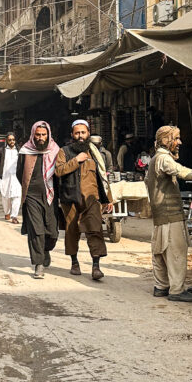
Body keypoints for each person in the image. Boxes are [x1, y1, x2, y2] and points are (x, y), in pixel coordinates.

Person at [146, 126, 192, 302]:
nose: (179, 142)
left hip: (161, 217)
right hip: (170, 216)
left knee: (161, 253)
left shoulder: (155, 159)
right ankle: (177, 290)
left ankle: (161, 286)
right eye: (176, 138)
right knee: (176, 253)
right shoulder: (163, 158)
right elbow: (180, 171)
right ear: (165, 140)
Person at [55, 120, 112, 281]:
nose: (80, 136)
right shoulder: (64, 151)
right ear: (72, 135)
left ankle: (96, 267)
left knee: (95, 229)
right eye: (77, 133)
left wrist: (108, 199)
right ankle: (74, 262)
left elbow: (102, 177)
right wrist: (76, 160)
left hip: (91, 199)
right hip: (70, 198)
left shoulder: (95, 152)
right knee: (72, 231)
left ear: (88, 133)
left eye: (83, 132)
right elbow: (59, 171)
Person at [17, 121, 59, 278]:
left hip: (51, 195)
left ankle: (46, 250)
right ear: (33, 135)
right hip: (32, 196)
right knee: (36, 231)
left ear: (48, 135)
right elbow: (19, 173)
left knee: (52, 232)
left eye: (44, 135)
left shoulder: (55, 151)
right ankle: (38, 264)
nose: (41, 138)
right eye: (38, 135)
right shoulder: (25, 151)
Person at [0, 133, 21, 223]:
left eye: (13, 140)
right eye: (10, 140)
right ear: (6, 140)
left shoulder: (19, 150)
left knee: (17, 196)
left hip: (16, 177)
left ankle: (14, 216)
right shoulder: (1, 150)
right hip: (5, 177)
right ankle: (7, 212)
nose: (12, 141)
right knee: (5, 196)